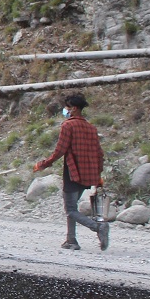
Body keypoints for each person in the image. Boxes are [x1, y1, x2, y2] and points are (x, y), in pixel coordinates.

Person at [33, 93, 110, 251]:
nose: (65, 110)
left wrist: (43, 164)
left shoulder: (68, 126)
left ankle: (97, 227)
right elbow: (99, 153)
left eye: (67, 107)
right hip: (89, 174)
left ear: (74, 109)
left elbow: (60, 151)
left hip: (73, 172)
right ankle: (71, 240)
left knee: (70, 209)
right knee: (73, 206)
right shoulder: (91, 128)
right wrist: (98, 175)